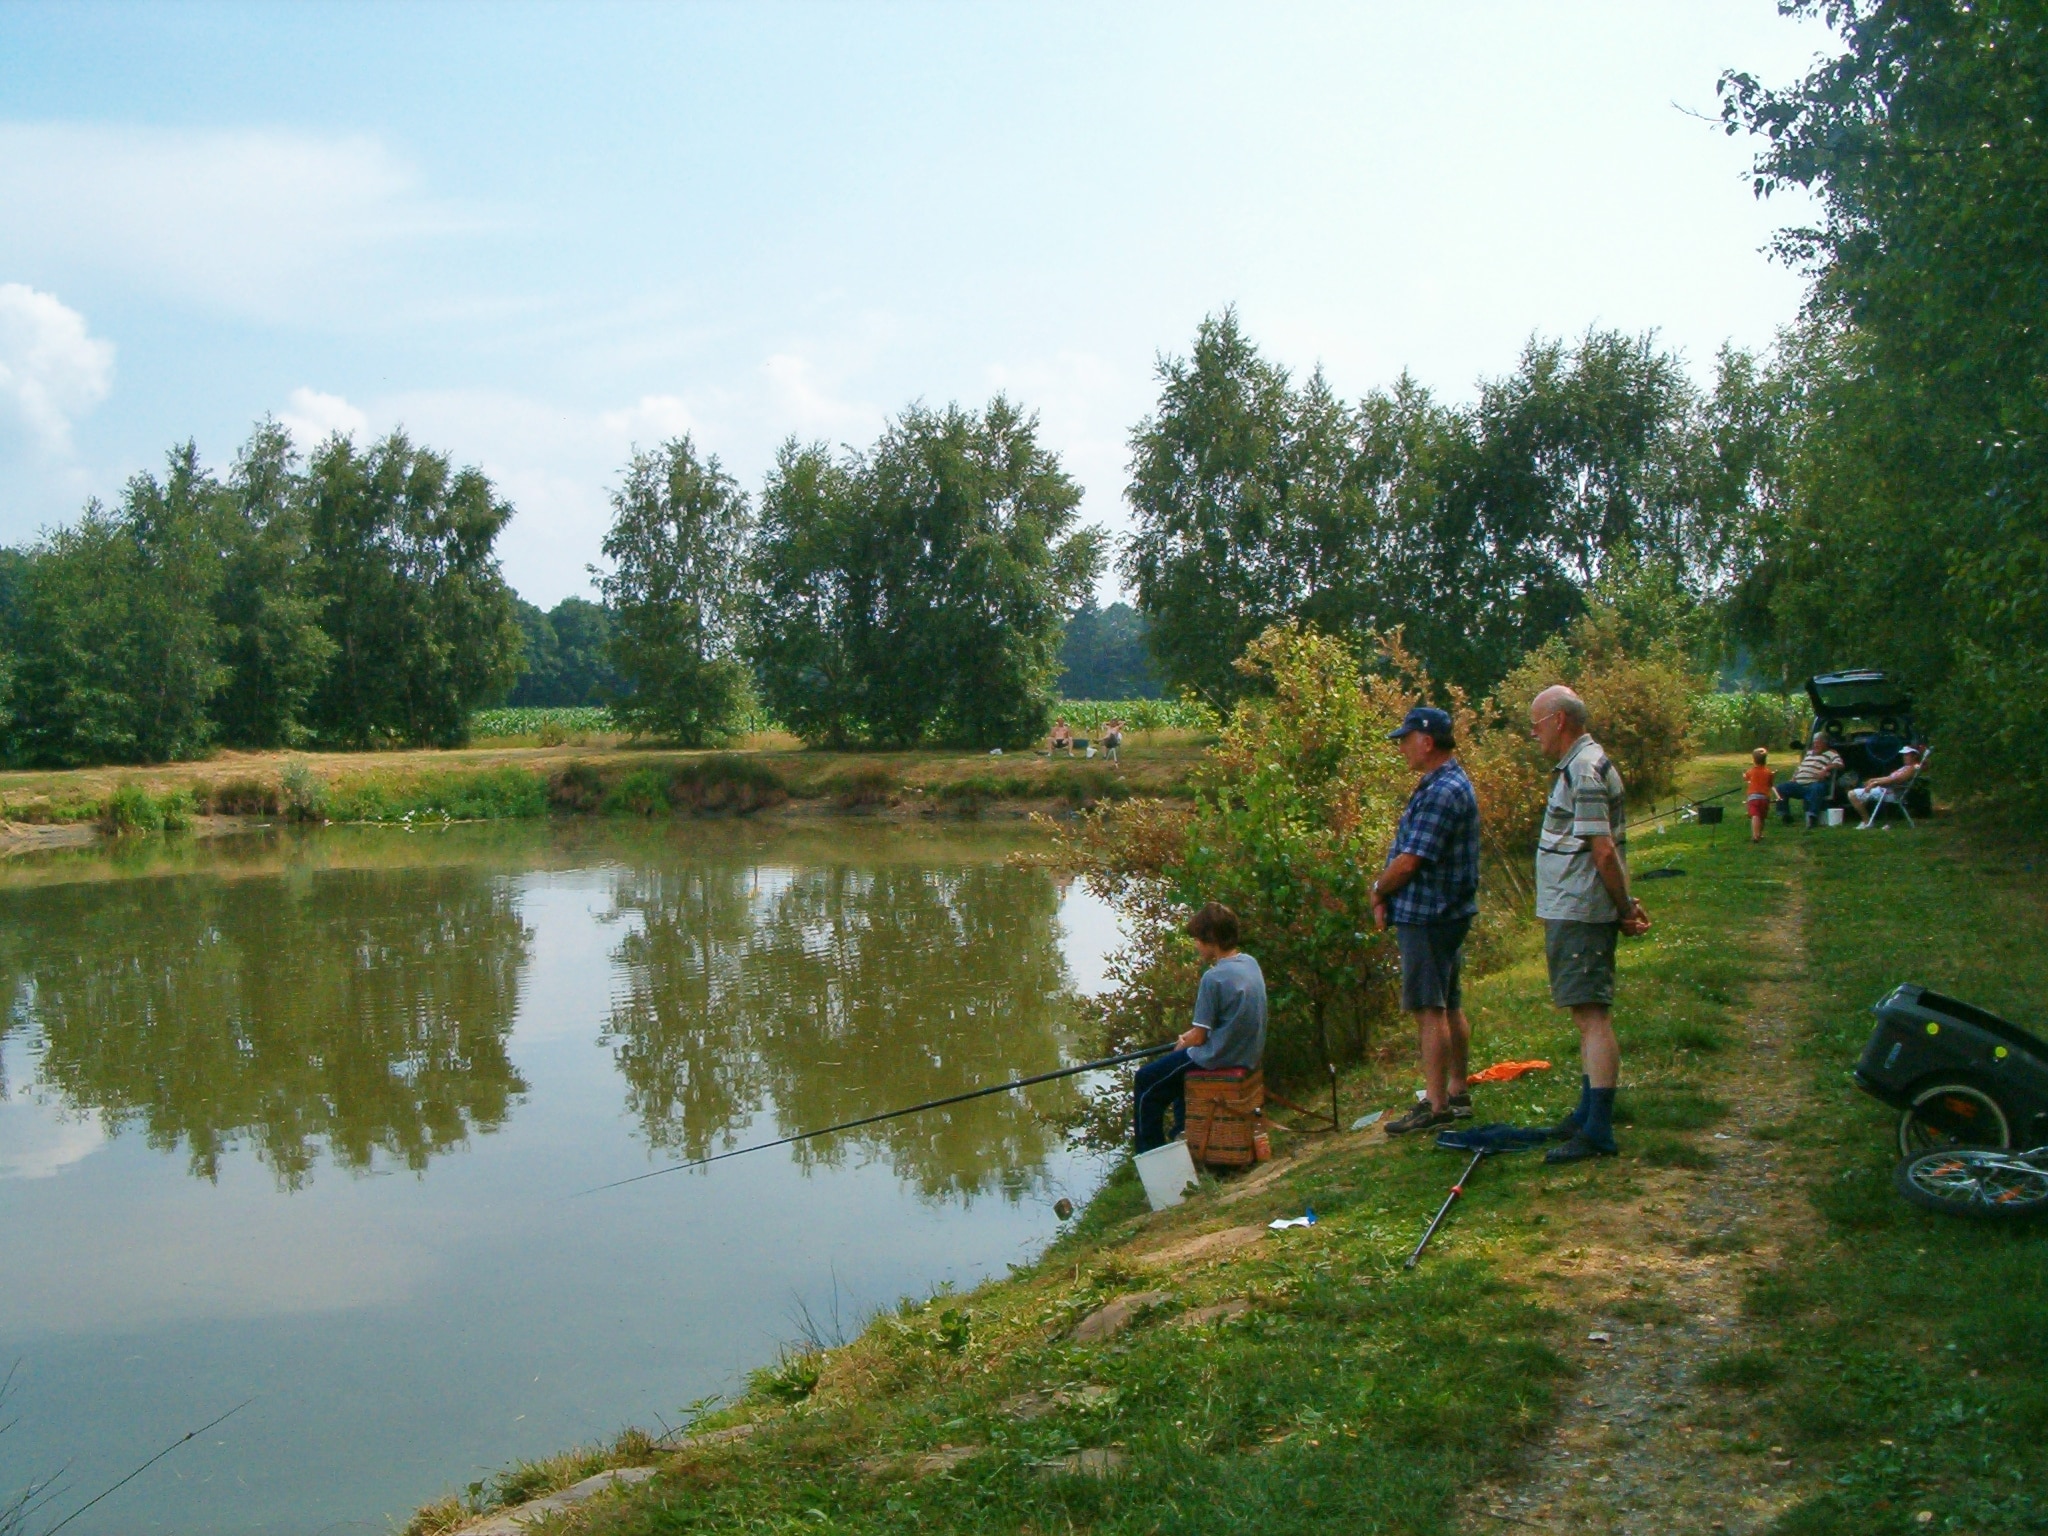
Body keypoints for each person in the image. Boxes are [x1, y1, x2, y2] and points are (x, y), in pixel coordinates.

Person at [1530, 685, 1652, 1164]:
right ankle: (1586, 1113)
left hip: (1580, 909)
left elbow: (1602, 849)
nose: (1533, 735)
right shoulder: (1581, 765)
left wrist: (1624, 909)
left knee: (1592, 1015)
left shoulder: (1584, 768)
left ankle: (1598, 1129)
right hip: (1573, 906)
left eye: (1536, 724)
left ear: (1559, 720)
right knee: (1584, 1015)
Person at [1372, 706, 1482, 1136]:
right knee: (1450, 1004)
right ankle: (1457, 1091)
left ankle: (1436, 1105)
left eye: (1404, 739)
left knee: (1429, 1009)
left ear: (1426, 741)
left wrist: (1379, 890)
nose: (1400, 747)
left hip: (1430, 915)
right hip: (1444, 913)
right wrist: (1382, 892)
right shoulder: (1441, 783)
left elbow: (1410, 860)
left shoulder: (1441, 791)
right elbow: (1405, 848)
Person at [1133, 902, 1267, 1152]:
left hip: (1218, 1057)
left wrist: (1184, 1042)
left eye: (1197, 939)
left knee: (1146, 1082)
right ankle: (1182, 1135)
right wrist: (1191, 1038)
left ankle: (1149, 1154)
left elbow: (1199, 1037)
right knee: (1176, 1076)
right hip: (1245, 1053)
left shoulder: (1213, 978)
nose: (1195, 945)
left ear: (1211, 939)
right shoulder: (1249, 963)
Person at [1776, 733, 1843, 828]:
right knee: (1781, 788)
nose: (1815, 745)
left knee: (1817, 788)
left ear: (1825, 744)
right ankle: (1785, 815)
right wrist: (1793, 777)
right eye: (1814, 743)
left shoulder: (1831, 753)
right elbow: (1800, 768)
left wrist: (1825, 769)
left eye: (1818, 743)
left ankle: (1812, 817)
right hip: (1799, 785)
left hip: (1814, 783)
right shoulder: (1809, 753)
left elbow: (1839, 764)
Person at [1850, 744, 1924, 828]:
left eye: (1907, 755)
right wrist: (1873, 780)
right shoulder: (1905, 767)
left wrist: (1876, 783)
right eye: (1904, 755)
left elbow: (1896, 779)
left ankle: (1866, 822)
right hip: (1885, 790)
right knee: (1861, 792)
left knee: (1851, 794)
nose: (1904, 757)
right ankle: (1868, 820)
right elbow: (1889, 777)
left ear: (1914, 756)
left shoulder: (1912, 768)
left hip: (1891, 792)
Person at [1744, 747, 1775, 843]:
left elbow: (1746, 778)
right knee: (1762, 816)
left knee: (1755, 815)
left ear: (1754, 759)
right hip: (1765, 797)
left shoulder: (1751, 771)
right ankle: (1760, 833)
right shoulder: (1768, 772)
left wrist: (1744, 776)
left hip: (1753, 797)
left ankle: (1755, 835)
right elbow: (1770, 784)